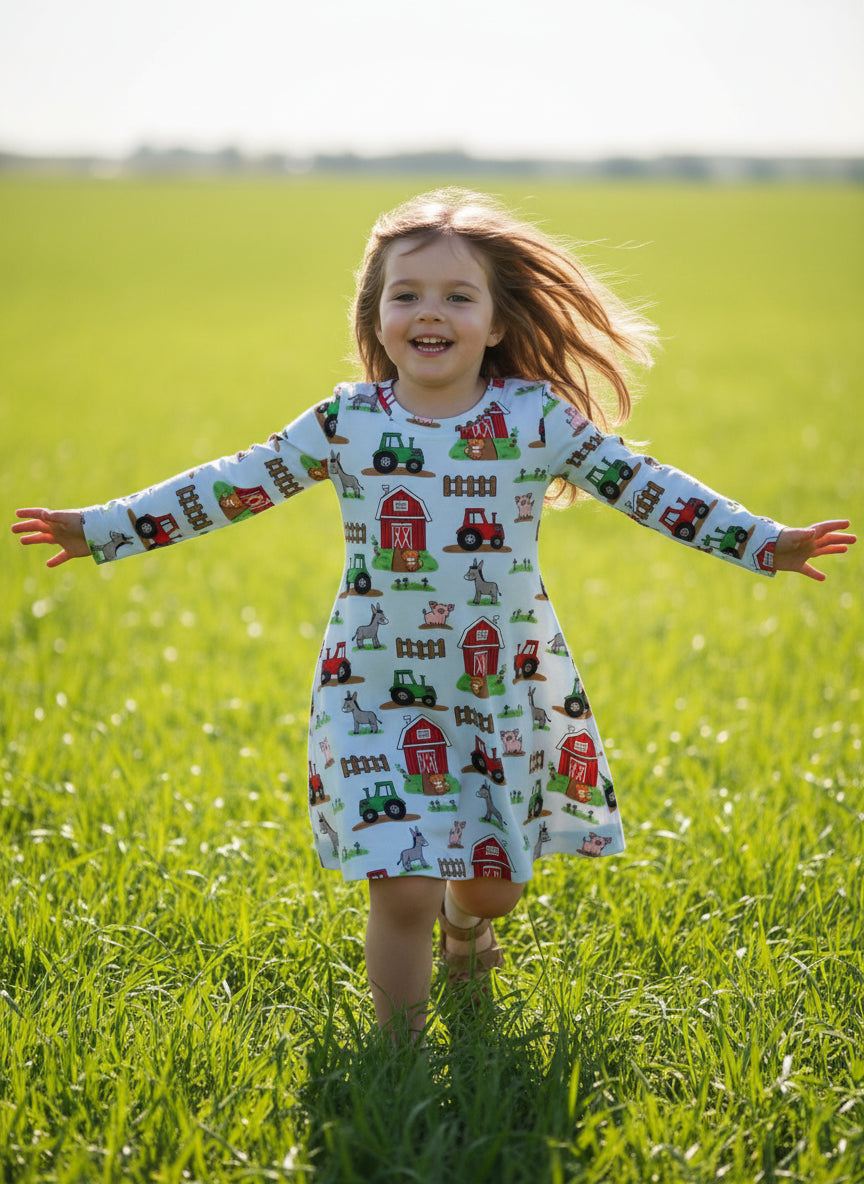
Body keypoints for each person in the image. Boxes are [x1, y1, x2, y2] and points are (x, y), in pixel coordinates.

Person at [12, 188, 855, 1042]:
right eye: (406, 295)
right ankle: (397, 1057)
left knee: (492, 883)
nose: (430, 313)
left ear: (494, 323)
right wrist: (106, 529)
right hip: (373, 688)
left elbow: (645, 486)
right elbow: (234, 482)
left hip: (503, 685)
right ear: (375, 319)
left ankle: (470, 928)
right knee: (402, 882)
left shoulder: (532, 419)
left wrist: (763, 542)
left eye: (458, 296)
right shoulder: (348, 421)